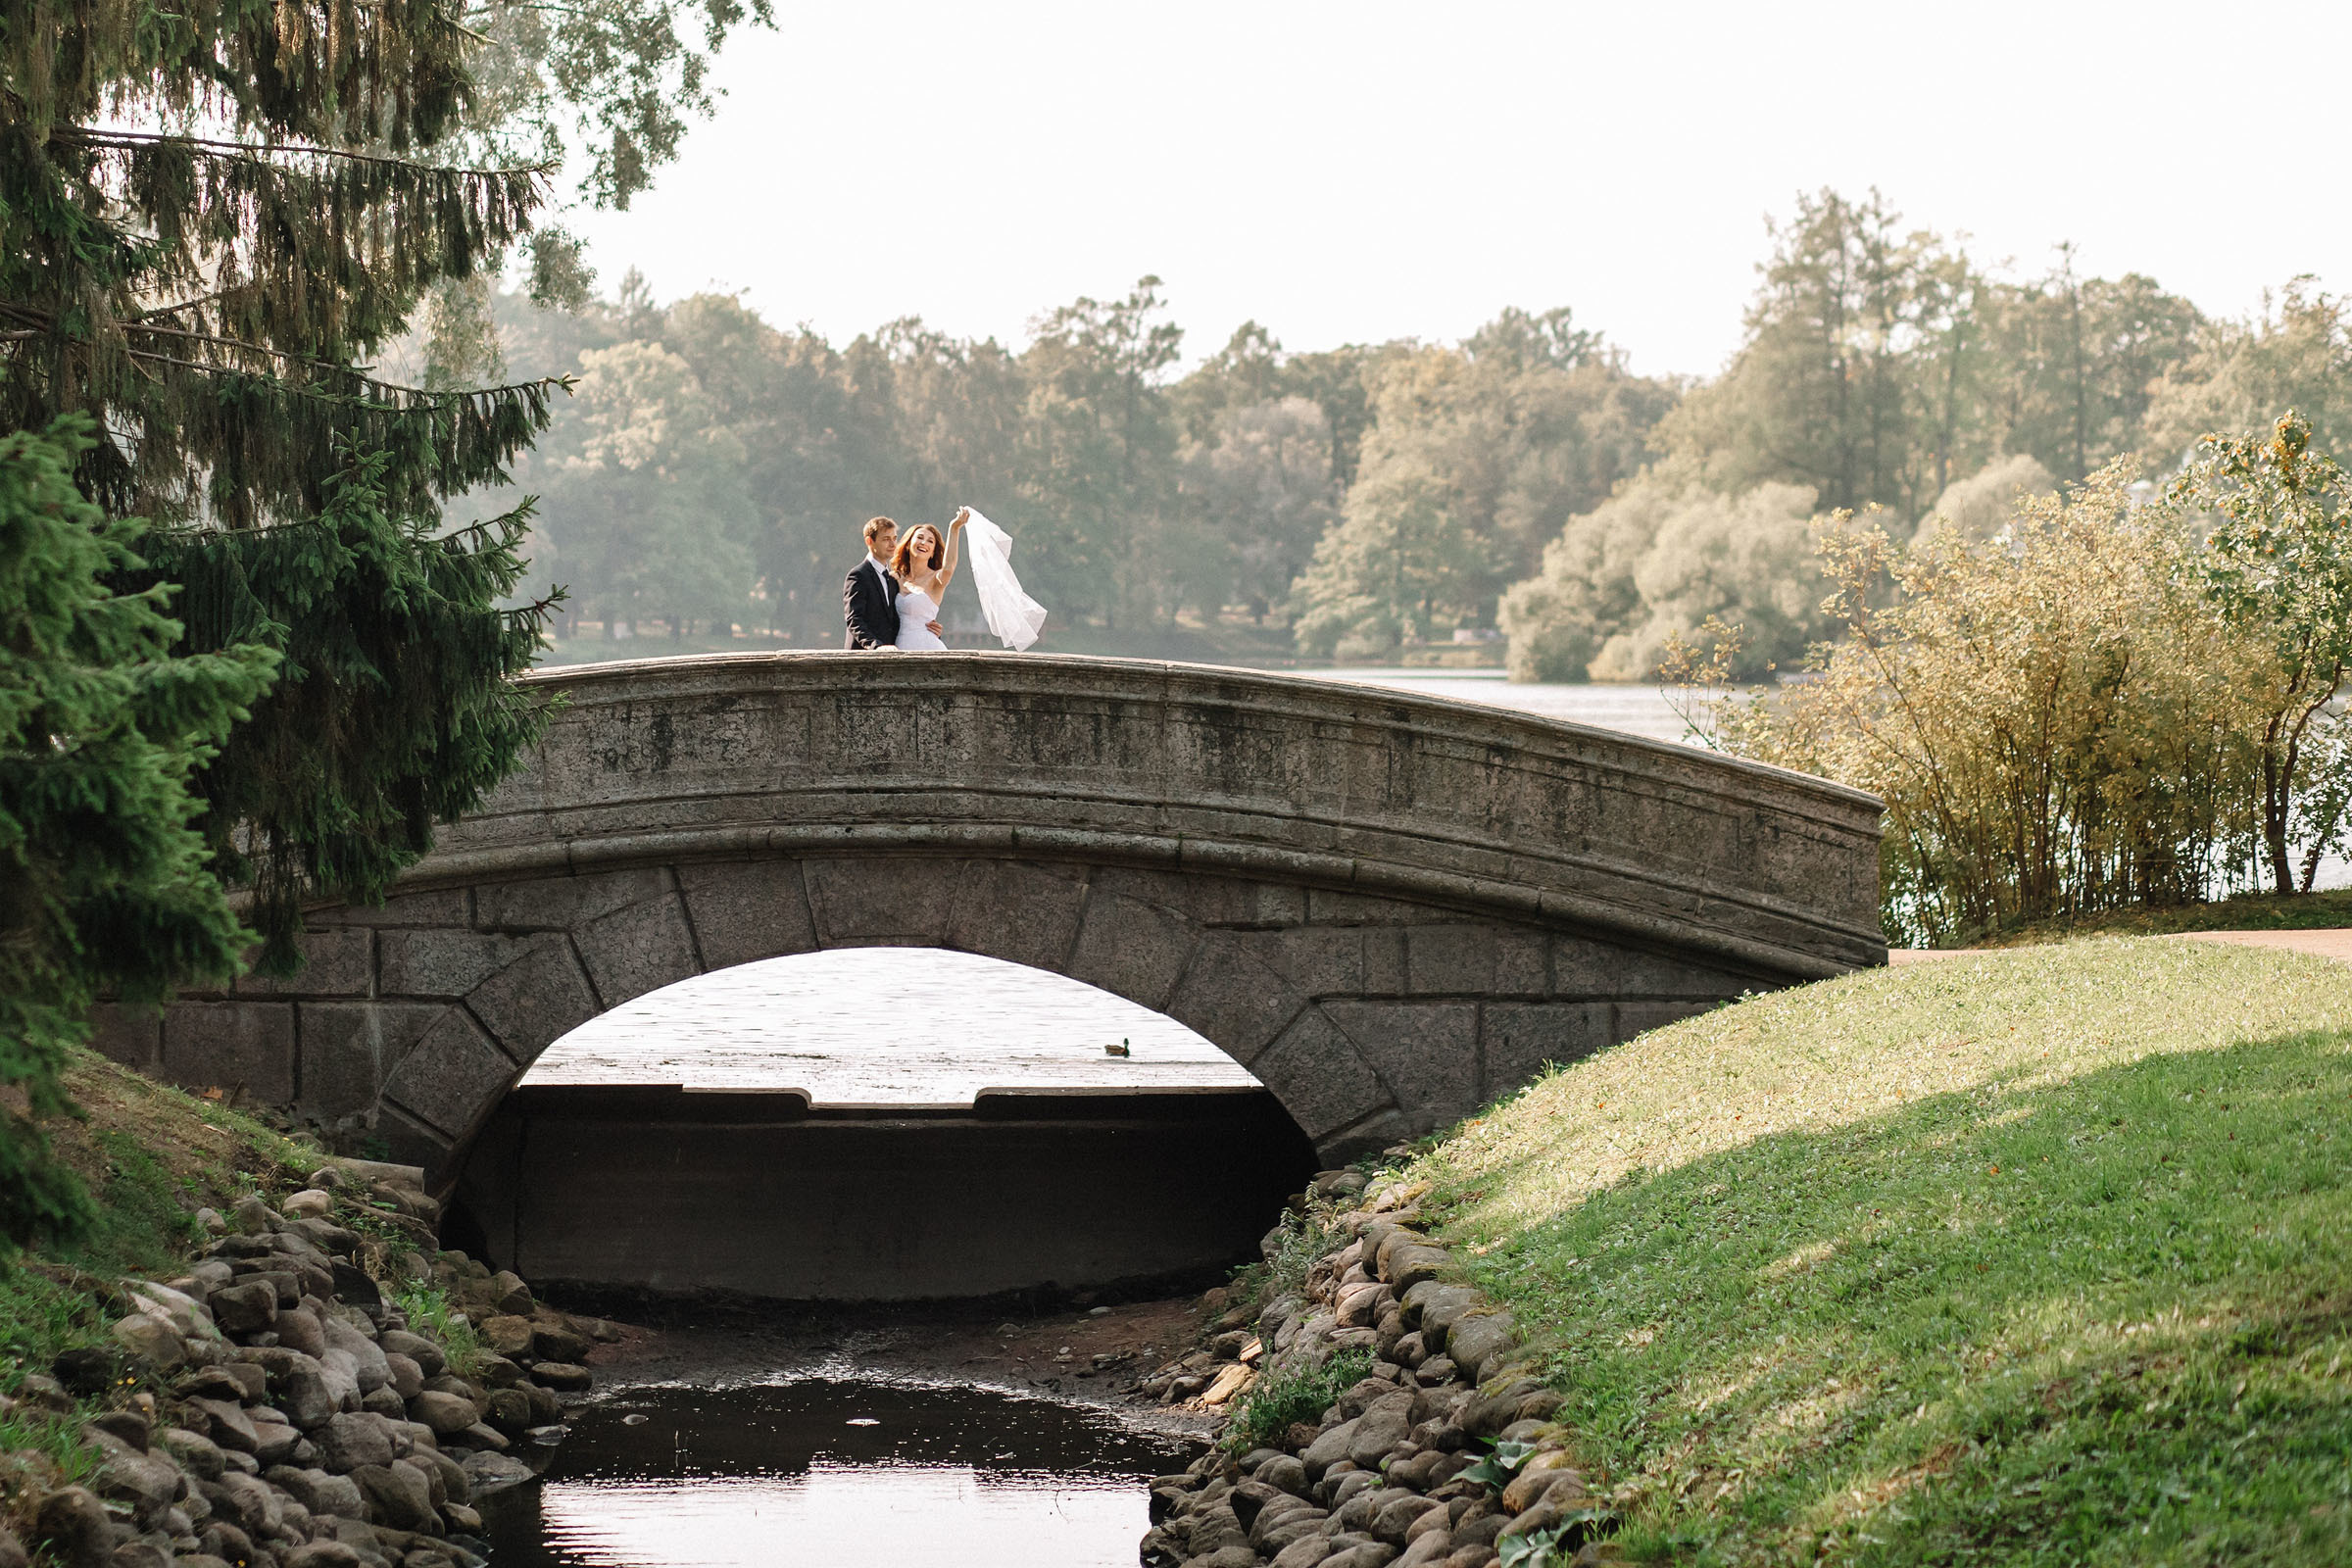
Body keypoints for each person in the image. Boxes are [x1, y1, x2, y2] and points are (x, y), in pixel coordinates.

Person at [843, 515, 947, 651]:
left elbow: (901, 618)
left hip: (892, 656)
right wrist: (876, 647)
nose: (892, 544)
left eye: (894, 538)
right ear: (869, 541)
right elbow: (854, 620)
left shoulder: (893, 580)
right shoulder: (858, 575)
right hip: (863, 656)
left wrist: (928, 630)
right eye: (886, 539)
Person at [888, 509, 970, 651]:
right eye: (919, 537)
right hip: (899, 646)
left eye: (930, 541)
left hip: (928, 646)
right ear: (908, 544)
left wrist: (954, 528)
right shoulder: (894, 577)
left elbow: (949, 567)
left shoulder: (936, 579)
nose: (924, 542)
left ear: (932, 553)